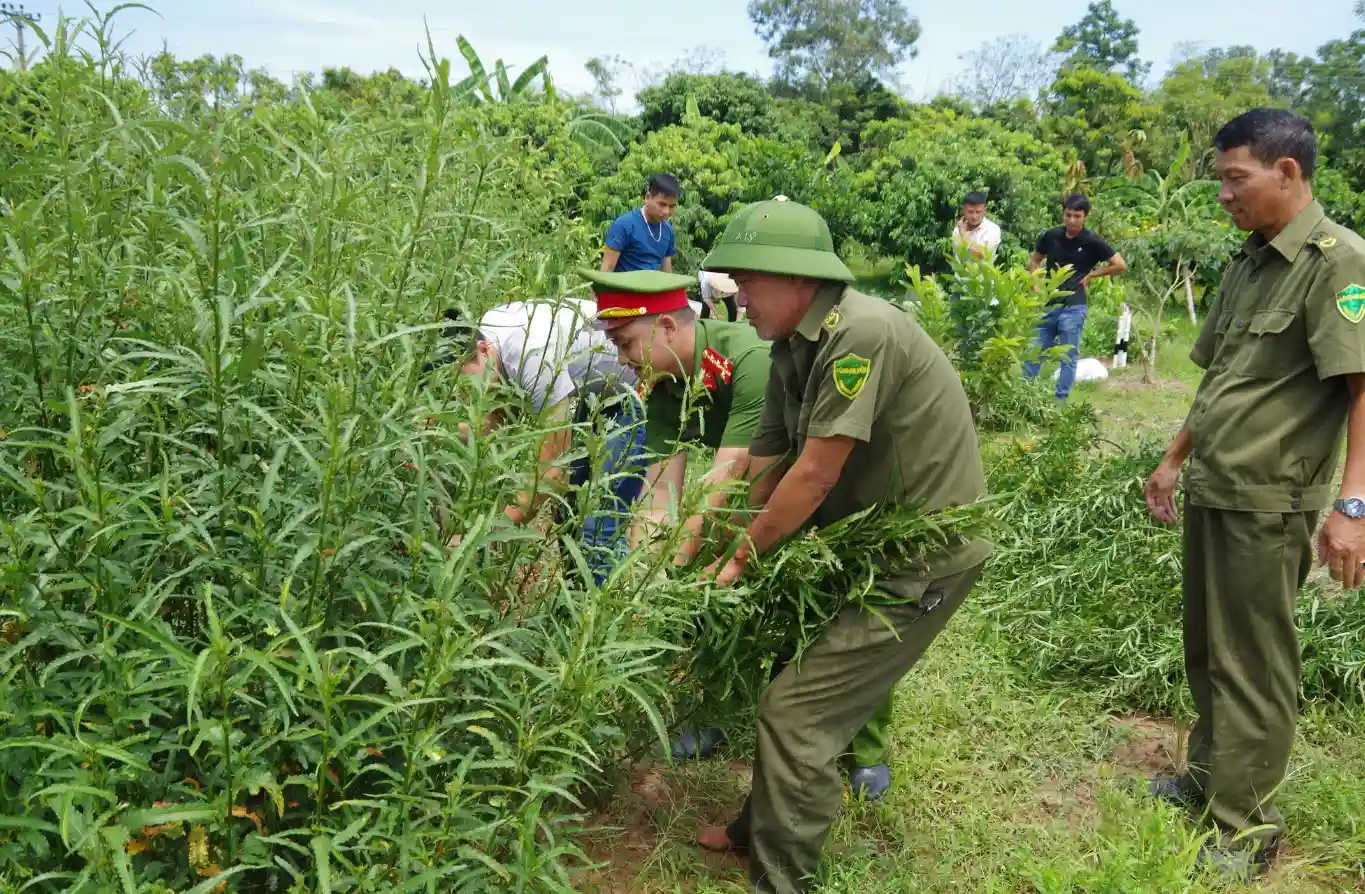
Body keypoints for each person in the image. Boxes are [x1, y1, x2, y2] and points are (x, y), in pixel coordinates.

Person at [695, 198, 992, 893]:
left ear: (795, 277)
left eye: (747, 282)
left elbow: (814, 472)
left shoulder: (859, 334)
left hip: (917, 561)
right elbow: (766, 464)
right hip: (855, 550)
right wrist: (709, 544)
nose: (738, 298)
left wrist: (739, 557)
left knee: (798, 712)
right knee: (786, 682)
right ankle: (755, 829)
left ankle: (782, 880)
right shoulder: (788, 346)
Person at [1143, 108, 1365, 881]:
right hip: (1217, 485)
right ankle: (1208, 785)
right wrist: (1173, 458)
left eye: (1235, 179)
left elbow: (1360, 391)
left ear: (1287, 173)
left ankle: (1245, 830)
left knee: (1254, 664)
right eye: (1220, 180)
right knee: (1207, 649)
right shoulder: (1249, 262)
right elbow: (1219, 379)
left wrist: (1351, 507)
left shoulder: (1338, 263)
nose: (1223, 195)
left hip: (1271, 499)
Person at [590, 265, 897, 800]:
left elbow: (734, 477)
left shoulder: (745, 360)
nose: (621, 360)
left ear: (665, 328)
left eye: (625, 344)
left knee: (840, 608)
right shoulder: (663, 383)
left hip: (828, 483)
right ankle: (714, 710)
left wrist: (699, 559)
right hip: (763, 484)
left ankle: (865, 750)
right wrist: (646, 574)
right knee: (701, 582)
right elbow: (660, 486)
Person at [426, 296, 647, 583]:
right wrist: (433, 443)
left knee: (596, 521)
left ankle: (595, 615)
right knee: (569, 512)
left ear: (482, 350)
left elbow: (552, 474)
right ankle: (576, 609)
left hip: (637, 384)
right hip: (593, 389)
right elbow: (491, 423)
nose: (463, 395)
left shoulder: (531, 357)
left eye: (464, 382)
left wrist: (479, 540)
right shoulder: (488, 339)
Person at [1024, 194, 1127, 400]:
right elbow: (1035, 260)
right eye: (1068, 215)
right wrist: (1036, 285)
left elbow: (1120, 264)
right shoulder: (1051, 235)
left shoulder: (1092, 241)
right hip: (1049, 303)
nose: (1072, 220)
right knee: (1033, 352)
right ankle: (1024, 395)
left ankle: (1060, 401)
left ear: (1085, 217)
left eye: (1077, 216)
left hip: (1074, 306)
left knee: (1068, 356)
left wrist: (1092, 274)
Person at [601, 173, 679, 274]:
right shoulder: (624, 225)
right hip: (624, 288)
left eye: (672, 206)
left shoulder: (668, 231)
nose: (666, 211)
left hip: (653, 288)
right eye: (662, 204)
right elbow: (606, 270)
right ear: (647, 197)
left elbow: (667, 275)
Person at [952, 190, 1002, 259]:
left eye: (978, 212)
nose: (974, 216)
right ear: (963, 210)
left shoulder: (992, 230)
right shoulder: (957, 230)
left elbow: (981, 257)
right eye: (970, 212)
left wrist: (964, 237)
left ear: (985, 211)